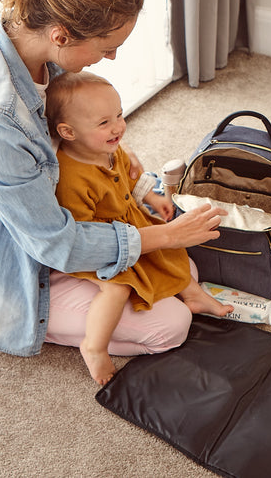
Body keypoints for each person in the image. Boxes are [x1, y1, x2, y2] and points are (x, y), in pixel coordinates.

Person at [0, 0, 226, 364]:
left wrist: (139, 184)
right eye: (107, 47)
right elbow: (57, 244)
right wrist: (163, 236)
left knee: (181, 268)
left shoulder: (26, 39)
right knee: (170, 325)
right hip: (20, 265)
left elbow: (80, 143)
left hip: (47, 221)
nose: (111, 58)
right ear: (61, 35)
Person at [45, 71, 233, 384]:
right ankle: (94, 345)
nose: (118, 126)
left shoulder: (109, 148)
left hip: (126, 227)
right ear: (68, 131)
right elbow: (81, 233)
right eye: (104, 122)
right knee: (117, 287)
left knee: (172, 253)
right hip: (99, 246)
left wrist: (152, 196)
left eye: (118, 115)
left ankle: (194, 294)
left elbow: (131, 177)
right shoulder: (71, 176)